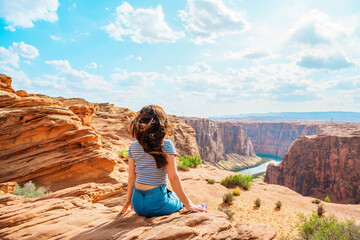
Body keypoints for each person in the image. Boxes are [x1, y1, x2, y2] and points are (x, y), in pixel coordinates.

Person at [120, 105, 207, 217]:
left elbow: (132, 176)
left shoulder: (133, 146)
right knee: (177, 199)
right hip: (157, 203)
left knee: (171, 194)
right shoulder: (166, 145)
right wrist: (188, 205)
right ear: (161, 124)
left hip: (137, 203)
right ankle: (200, 205)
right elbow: (173, 177)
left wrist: (128, 200)